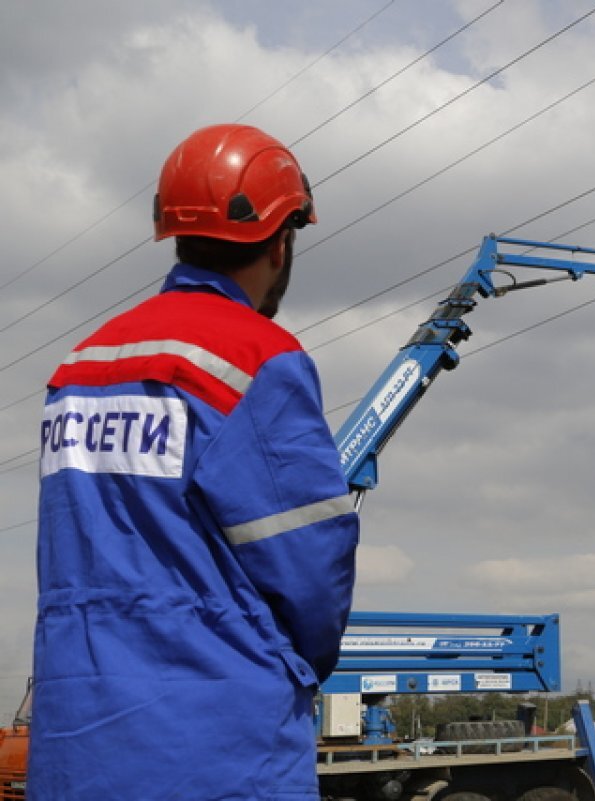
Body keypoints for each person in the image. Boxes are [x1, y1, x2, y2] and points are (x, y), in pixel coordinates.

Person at [30, 124, 360, 800]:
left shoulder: (79, 368)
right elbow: (310, 566)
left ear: (175, 233)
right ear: (281, 240)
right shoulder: (258, 358)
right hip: (219, 749)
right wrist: (298, 663)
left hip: (76, 745)